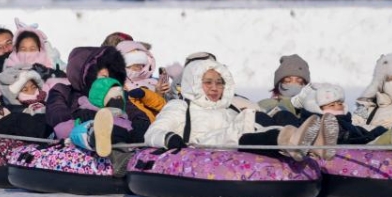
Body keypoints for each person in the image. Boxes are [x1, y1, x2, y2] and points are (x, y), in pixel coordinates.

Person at [144, 59, 337, 160]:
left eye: (219, 83)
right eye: (208, 82)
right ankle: (291, 140)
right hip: (203, 146)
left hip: (233, 141)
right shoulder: (180, 107)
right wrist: (169, 138)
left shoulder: (229, 108)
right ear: (193, 84)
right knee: (245, 128)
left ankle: (313, 143)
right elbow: (153, 132)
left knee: (267, 116)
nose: (214, 88)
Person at [45, 45, 151, 156]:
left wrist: (140, 121)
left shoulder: (113, 91)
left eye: (109, 76)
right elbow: (56, 114)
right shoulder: (64, 91)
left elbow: (132, 109)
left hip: (119, 133)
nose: (106, 80)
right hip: (78, 137)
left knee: (125, 133)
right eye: (102, 76)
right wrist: (79, 115)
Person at [291, 83, 389, 145]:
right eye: (332, 105)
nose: (338, 106)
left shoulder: (346, 123)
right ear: (317, 109)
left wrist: (380, 132)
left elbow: (362, 131)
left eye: (340, 103)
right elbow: (344, 141)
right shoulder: (320, 125)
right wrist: (368, 138)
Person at [116, 40, 169, 122]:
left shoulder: (152, 81)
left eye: (142, 63)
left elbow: (159, 106)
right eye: (135, 64)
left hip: (155, 121)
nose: (140, 66)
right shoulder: (119, 83)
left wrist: (159, 92)